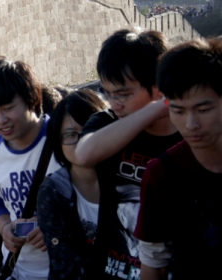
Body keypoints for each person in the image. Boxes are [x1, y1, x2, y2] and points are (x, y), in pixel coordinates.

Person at [74, 30, 182, 279]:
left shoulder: (189, 134)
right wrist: (158, 108)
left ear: (157, 86)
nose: (114, 104)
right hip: (113, 268)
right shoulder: (105, 122)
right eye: (108, 94)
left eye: (124, 94)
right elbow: (85, 154)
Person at [135, 38, 222, 279]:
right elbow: (154, 265)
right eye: (178, 111)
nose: (191, 124)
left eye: (203, 110)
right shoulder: (162, 175)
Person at [0, 59, 60, 280]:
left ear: (31, 98)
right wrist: (5, 228)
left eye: (9, 108)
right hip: (19, 270)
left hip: (68, 268)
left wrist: (56, 227)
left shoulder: (62, 137)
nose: (0, 120)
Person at [36, 90, 107, 279]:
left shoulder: (125, 180)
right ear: (58, 141)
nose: (82, 141)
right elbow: (64, 264)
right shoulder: (53, 191)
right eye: (70, 134)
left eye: (89, 131)